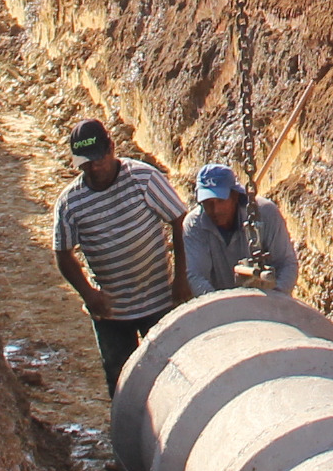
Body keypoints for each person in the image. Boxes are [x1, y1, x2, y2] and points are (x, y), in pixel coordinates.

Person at [50, 117, 190, 391]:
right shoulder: (70, 202)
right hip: (112, 312)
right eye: (86, 162)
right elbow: (63, 254)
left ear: (112, 147)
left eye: (99, 157)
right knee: (121, 381)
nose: (95, 166)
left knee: (171, 376)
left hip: (159, 301)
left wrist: (182, 277)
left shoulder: (143, 178)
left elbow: (179, 220)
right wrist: (89, 294)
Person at [180, 164, 297, 300]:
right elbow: (197, 276)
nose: (215, 210)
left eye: (220, 201)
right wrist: (220, 307)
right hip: (220, 303)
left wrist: (276, 297)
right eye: (208, 202)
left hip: (268, 300)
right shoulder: (194, 225)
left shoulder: (266, 214)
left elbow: (287, 263)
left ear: (235, 196)